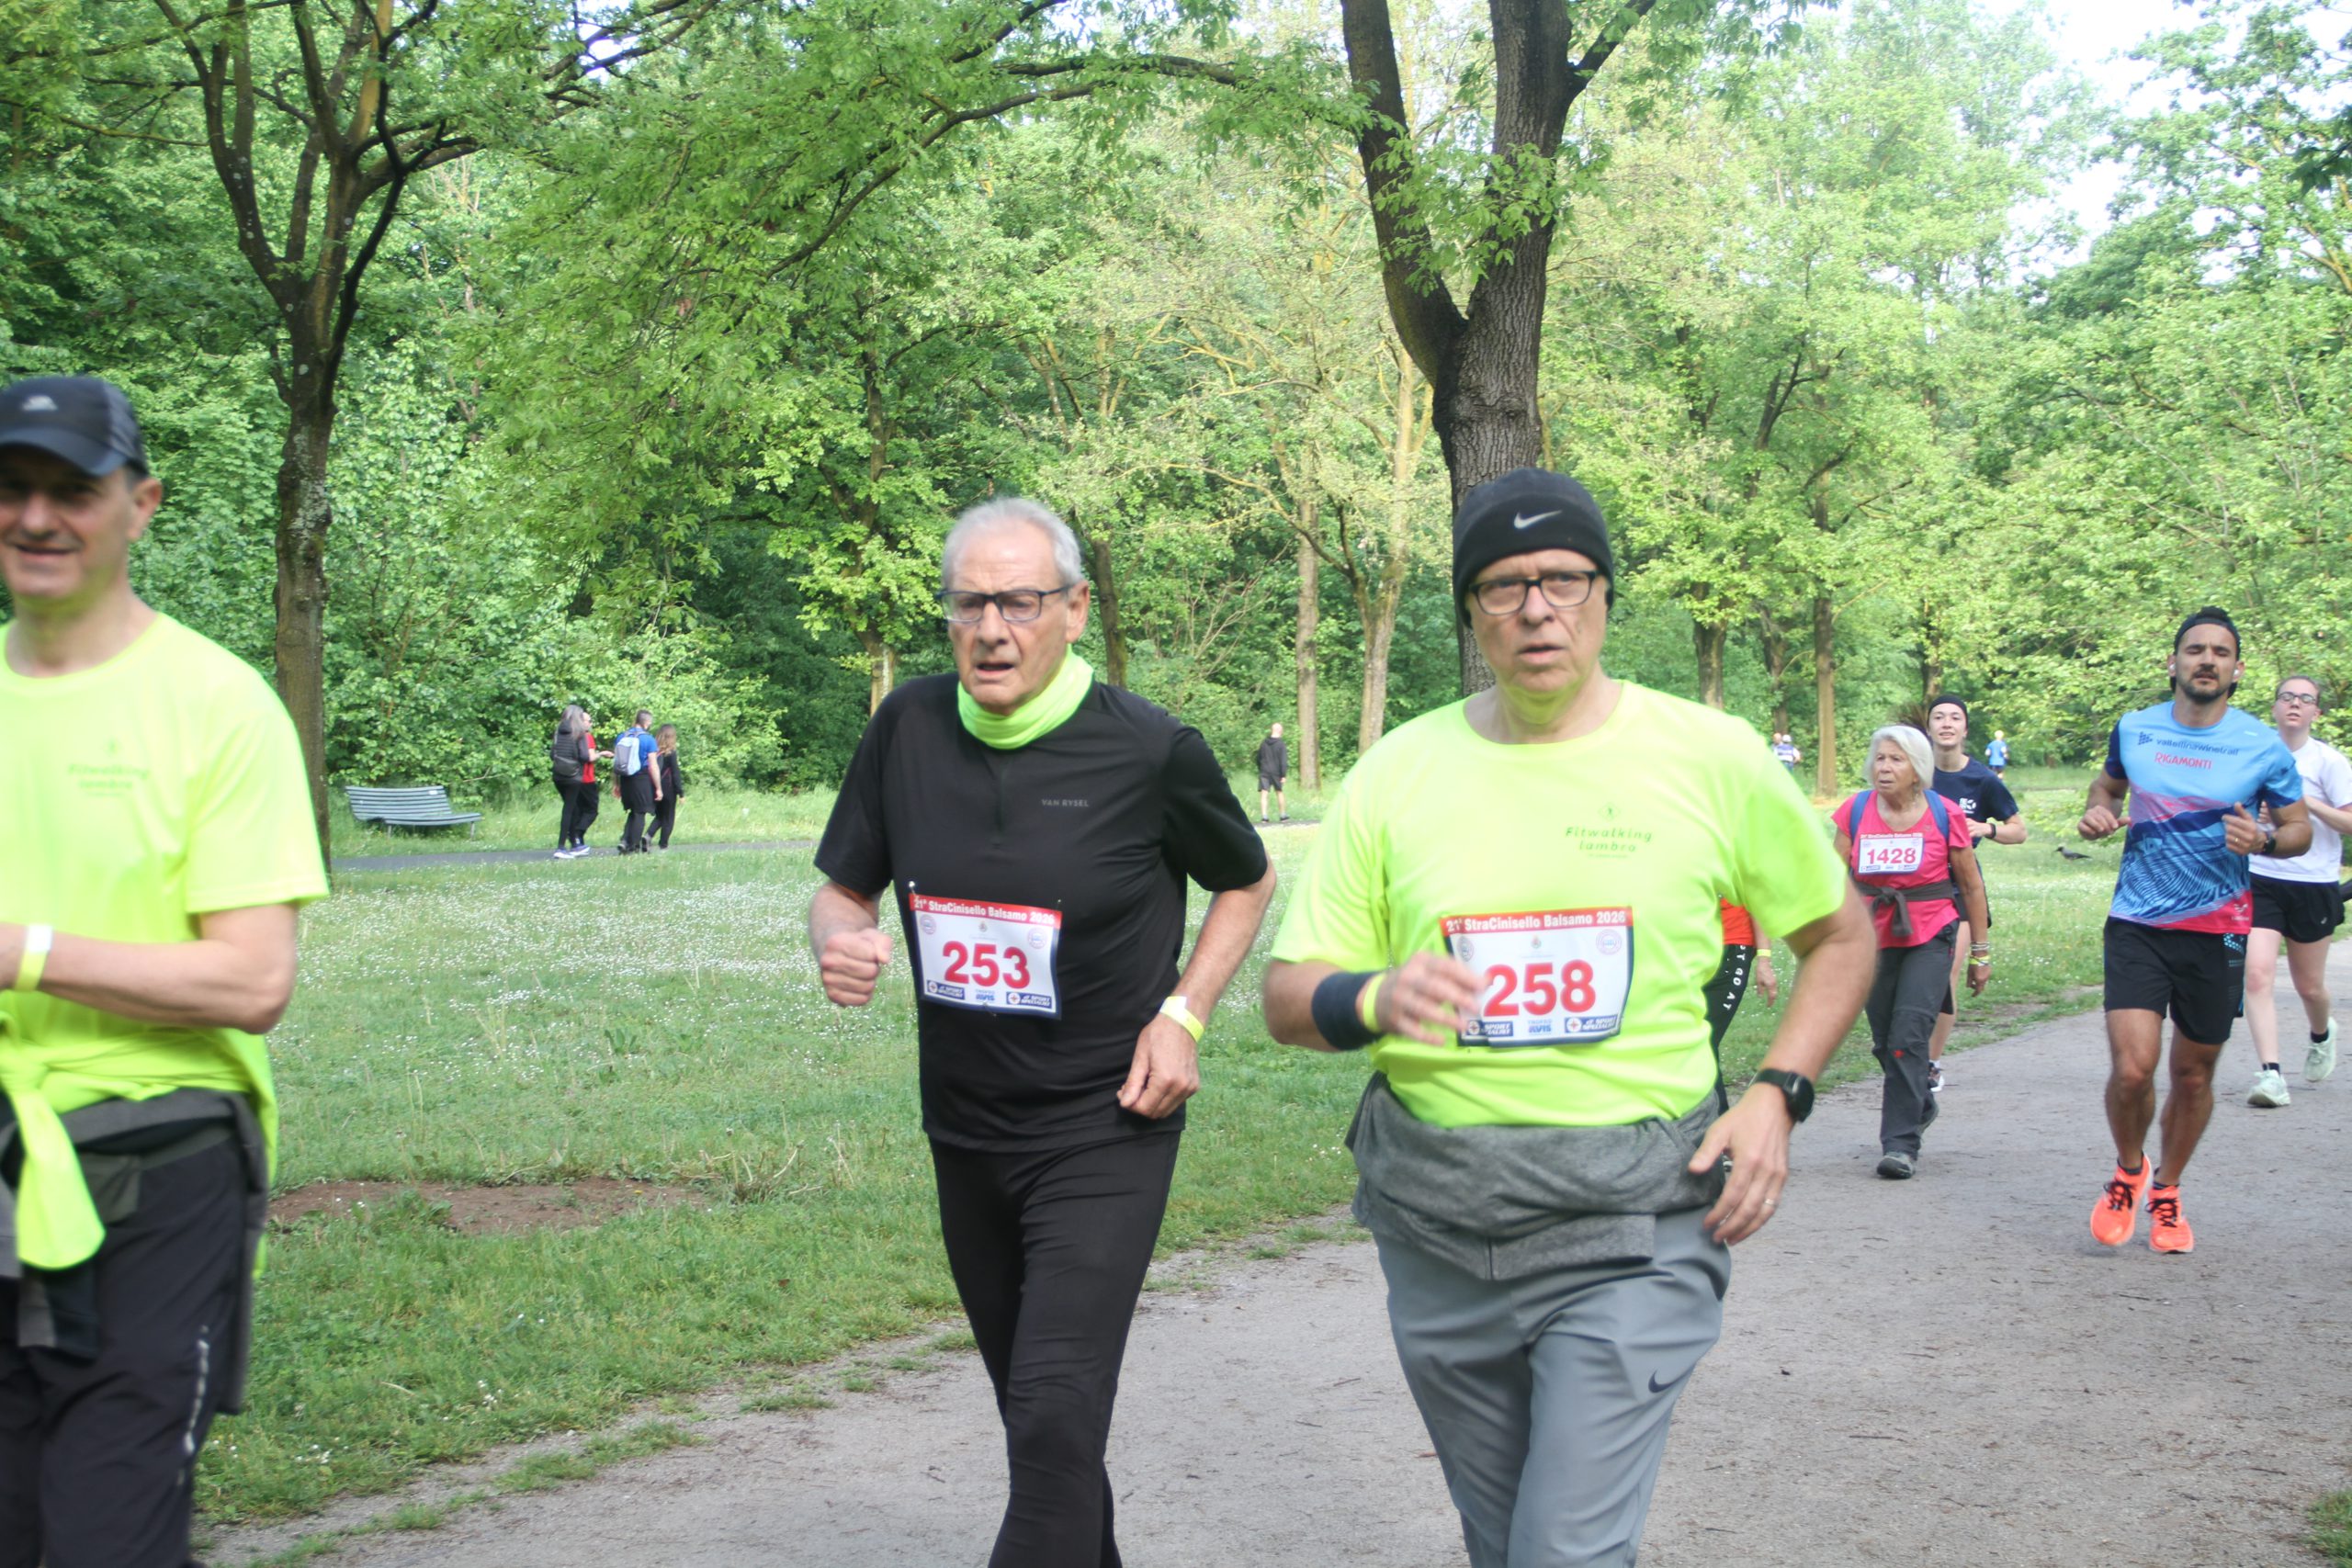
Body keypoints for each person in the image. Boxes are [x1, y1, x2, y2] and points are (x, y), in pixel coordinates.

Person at [1261, 468, 1873, 1568]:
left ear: (1603, 594)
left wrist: (1779, 1094)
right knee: (1505, 1547)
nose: (1535, 609)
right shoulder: (1396, 774)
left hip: (1634, 1223)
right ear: (1471, 611)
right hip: (1439, 1223)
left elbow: (1840, 936)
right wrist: (1376, 995)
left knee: (1562, 1555)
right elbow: (1287, 997)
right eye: (1503, 586)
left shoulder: (1710, 756)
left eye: (1563, 579)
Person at [809, 496, 1277, 1568]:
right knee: (1040, 1426)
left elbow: (1246, 882)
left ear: (1072, 610)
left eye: (1019, 603)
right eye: (967, 604)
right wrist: (838, 939)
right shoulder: (906, 729)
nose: (991, 629)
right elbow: (843, 888)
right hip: (966, 1129)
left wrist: (1183, 1014)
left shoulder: (1149, 750)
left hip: (1105, 1124)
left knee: (1055, 1418)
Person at [0, 375, 328, 1567]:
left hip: (157, 1166)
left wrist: (23, 955)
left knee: (107, 1535)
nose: (36, 517)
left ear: (140, 505)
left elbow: (251, 982)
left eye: (72, 491)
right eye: (12, 488)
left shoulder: (217, 706)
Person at [2079, 607, 2308, 1253]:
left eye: (2220, 652)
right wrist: (2098, 812)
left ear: (2237, 669)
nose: (2207, 660)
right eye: (2195, 649)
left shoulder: (2261, 744)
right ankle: (2129, 1170)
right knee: (2133, 1070)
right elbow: (2107, 787)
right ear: (2173, 662)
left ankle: (2168, 1188)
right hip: (2138, 920)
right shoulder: (2135, 729)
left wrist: (2264, 838)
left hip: (2221, 927)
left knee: (2194, 1076)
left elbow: (2299, 829)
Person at [1833, 725, 1992, 1179]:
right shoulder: (1855, 811)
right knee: (1886, 1041)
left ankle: (1900, 1146)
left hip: (1930, 933)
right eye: (1880, 758)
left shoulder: (1944, 814)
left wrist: (1980, 953)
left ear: (1917, 768)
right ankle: (1919, 1100)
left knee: (1908, 1036)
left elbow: (1970, 886)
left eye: (1896, 759)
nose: (1884, 768)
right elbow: (1833, 882)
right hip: (1870, 937)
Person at [2243, 675, 2352, 1106]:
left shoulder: (2329, 762)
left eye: (2305, 699)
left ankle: (2322, 1033)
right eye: (2287, 696)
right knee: (2257, 973)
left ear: (2316, 713)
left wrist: (2305, 805)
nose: (2295, 703)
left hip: (2313, 882)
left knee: (2310, 987)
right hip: (2260, 874)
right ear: (2274, 707)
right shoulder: (2254, 755)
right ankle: (2271, 1074)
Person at [1924, 694, 2027, 1092]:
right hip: (1915, 887)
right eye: (1939, 717)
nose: (1947, 724)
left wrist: (1986, 828)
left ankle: (1930, 1063)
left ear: (1966, 728)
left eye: (1955, 718)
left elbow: (2019, 831)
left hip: (1961, 888)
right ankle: (1905, 1050)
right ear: (1929, 727)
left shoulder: (1982, 779)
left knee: (1947, 971)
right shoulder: (1915, 771)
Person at [1704, 902, 1779, 1059]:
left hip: (1731, 949)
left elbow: (1758, 901)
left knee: (1705, 1041)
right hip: (1688, 948)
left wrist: (1764, 959)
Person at [550, 704, 598, 859]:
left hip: (558, 775)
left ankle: (575, 844)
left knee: (574, 808)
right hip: (573, 776)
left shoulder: (558, 731)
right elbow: (584, 756)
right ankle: (561, 847)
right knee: (569, 810)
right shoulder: (579, 733)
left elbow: (552, 754)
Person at [613, 708, 662, 854]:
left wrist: (616, 784)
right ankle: (632, 847)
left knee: (633, 811)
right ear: (647, 723)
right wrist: (658, 787)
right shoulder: (648, 739)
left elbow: (616, 762)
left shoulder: (621, 736)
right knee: (640, 813)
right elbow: (653, 766)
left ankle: (624, 841)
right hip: (641, 778)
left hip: (624, 778)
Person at [651, 724, 684, 850]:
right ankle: (663, 845)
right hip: (668, 788)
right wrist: (680, 793)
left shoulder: (654, 752)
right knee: (669, 817)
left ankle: (648, 836)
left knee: (660, 816)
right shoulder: (671, 753)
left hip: (655, 787)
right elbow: (675, 773)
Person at [1256, 721, 1289, 823]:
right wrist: (1283, 775)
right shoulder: (1281, 744)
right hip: (1276, 772)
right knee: (1279, 792)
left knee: (1264, 793)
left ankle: (1264, 817)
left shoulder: (1264, 743)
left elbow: (1258, 758)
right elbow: (1283, 761)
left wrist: (1261, 768)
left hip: (1264, 771)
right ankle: (1283, 815)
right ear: (1280, 731)